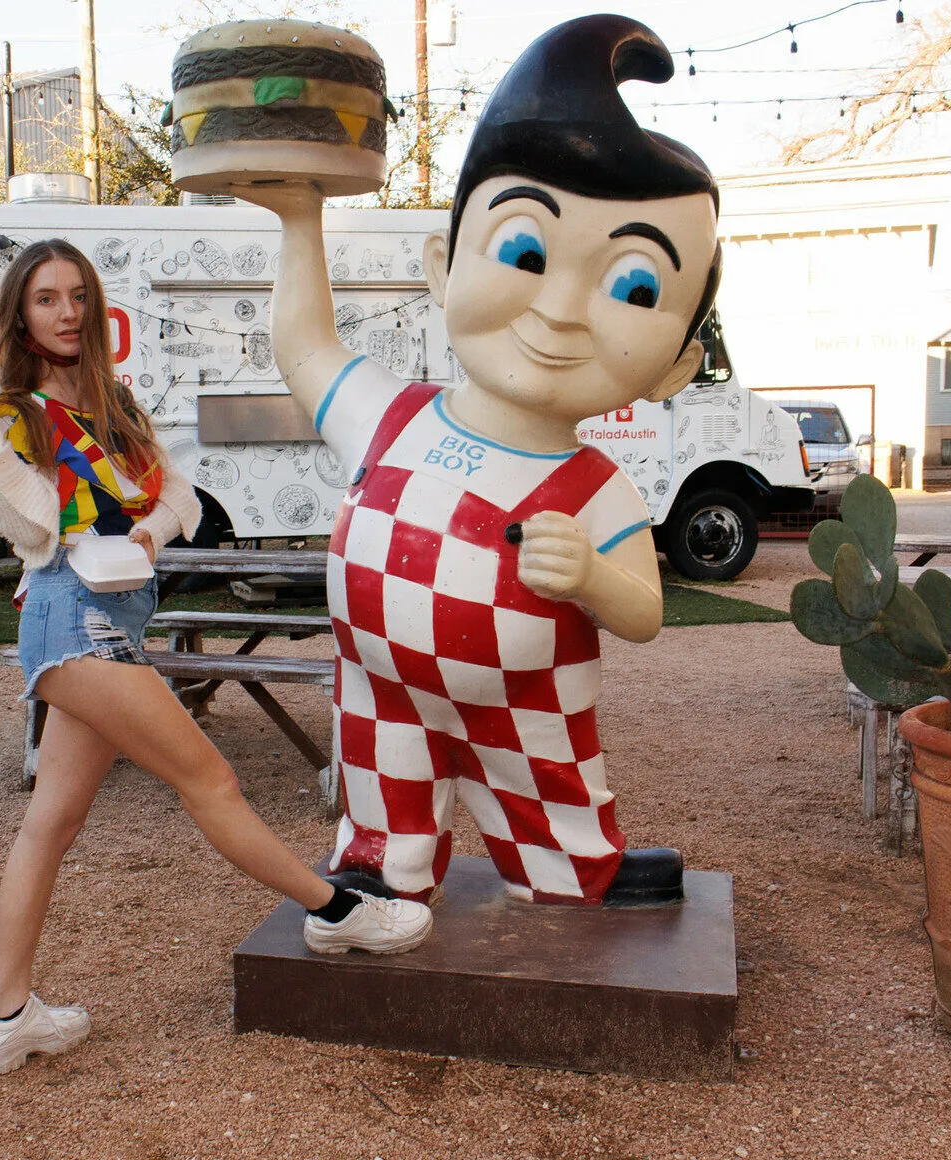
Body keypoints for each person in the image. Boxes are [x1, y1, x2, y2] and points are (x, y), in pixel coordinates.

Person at [235, 14, 719, 907]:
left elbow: (645, 613)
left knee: (550, 792)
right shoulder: (391, 416)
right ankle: (380, 864)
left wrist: (591, 576)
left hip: (525, 700)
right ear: (442, 264)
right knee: (384, 787)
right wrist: (301, 218)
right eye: (525, 251)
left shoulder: (594, 488)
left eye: (633, 285)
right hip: (381, 685)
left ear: (676, 366)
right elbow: (303, 345)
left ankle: (575, 869)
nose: (561, 309)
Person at [0, 239, 432, 1077]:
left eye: (77, 296)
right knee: (210, 780)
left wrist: (144, 531)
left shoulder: (112, 401)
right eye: (46, 299)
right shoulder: (4, 409)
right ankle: (336, 910)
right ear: (18, 314)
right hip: (73, 618)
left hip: (116, 616)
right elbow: (34, 527)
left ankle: (7, 1016)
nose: (67, 313)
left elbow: (179, 496)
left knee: (51, 823)